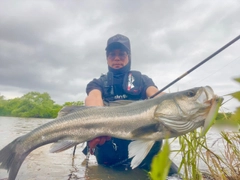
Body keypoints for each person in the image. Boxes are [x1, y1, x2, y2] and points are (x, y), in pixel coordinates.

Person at [84, 34, 178, 175]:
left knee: (176, 177)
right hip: (109, 155)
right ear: (107, 58)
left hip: (147, 154)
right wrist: (97, 126)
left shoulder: (143, 80)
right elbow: (93, 98)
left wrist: (179, 103)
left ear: (129, 57)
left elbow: (156, 94)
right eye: (112, 55)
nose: (117, 58)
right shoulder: (97, 83)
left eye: (122, 54)